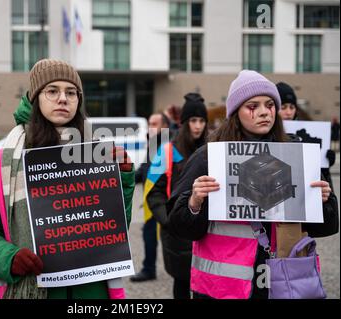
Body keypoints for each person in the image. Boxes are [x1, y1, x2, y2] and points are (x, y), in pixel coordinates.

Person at [0, 59, 135, 299]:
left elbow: (114, 231)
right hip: (33, 288)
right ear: (35, 98)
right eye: (52, 91)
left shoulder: (97, 155)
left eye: (71, 92)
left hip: (91, 291)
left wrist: (124, 179)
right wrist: (8, 257)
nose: (63, 98)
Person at [167, 70, 339, 299]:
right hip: (223, 289)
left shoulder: (297, 155)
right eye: (252, 106)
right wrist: (194, 202)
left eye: (269, 105)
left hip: (284, 283)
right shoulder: (207, 157)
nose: (263, 112)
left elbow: (327, 226)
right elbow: (178, 226)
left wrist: (324, 202)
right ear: (236, 112)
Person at [145, 93, 208, 298]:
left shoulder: (214, 149)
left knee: (205, 285)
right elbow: (153, 192)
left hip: (207, 232)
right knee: (181, 283)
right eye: (193, 120)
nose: (198, 126)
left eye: (202, 121)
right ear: (184, 122)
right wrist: (168, 220)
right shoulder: (167, 151)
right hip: (176, 233)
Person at [131, 112, 170, 282]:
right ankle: (149, 269)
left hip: (166, 200)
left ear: (165, 127)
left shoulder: (169, 145)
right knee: (149, 234)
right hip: (151, 200)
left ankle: (183, 272)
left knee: (175, 238)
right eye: (149, 123)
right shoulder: (153, 144)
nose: (150, 127)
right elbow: (143, 170)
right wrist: (122, 177)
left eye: (154, 123)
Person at [276, 81, 336, 189]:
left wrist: (324, 165)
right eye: (283, 107)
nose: (289, 112)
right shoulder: (267, 133)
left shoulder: (306, 131)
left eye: (292, 107)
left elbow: (322, 186)